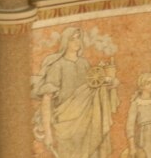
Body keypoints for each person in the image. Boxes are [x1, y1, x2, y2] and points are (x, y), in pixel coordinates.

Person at [32, 27, 119, 158]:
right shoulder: (57, 66)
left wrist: (109, 84)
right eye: (73, 39)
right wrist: (48, 134)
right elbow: (47, 99)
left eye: (79, 37)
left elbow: (92, 90)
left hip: (88, 122)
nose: (77, 41)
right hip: (66, 125)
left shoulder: (84, 63)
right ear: (65, 42)